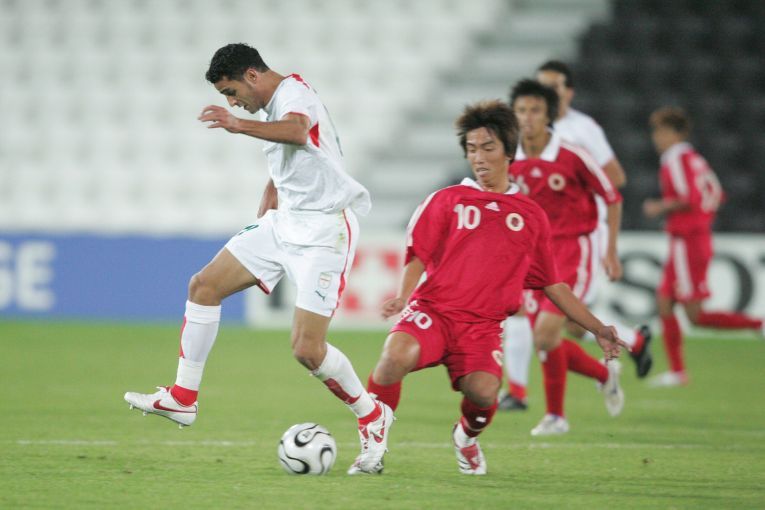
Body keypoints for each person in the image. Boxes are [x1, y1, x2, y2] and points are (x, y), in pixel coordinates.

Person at [123, 43, 392, 474]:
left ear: (251, 75)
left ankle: (372, 415)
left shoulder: (294, 94)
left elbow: (298, 132)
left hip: (324, 231)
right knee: (204, 286)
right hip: (284, 222)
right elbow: (295, 154)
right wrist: (271, 193)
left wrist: (237, 125)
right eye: (227, 99)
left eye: (231, 92)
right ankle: (183, 398)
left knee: (307, 349)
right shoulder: (272, 108)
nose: (232, 103)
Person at [363, 100, 626, 475]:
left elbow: (554, 285)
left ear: (509, 152)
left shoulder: (530, 216)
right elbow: (418, 253)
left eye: (488, 147)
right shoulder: (447, 199)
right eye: (472, 149)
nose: (479, 157)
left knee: (485, 394)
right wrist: (404, 295)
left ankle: (466, 438)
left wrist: (597, 328)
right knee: (393, 357)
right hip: (434, 312)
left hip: (482, 328)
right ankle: (372, 448)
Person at [499, 61, 652, 412]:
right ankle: (626, 348)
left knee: (556, 326)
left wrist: (605, 243)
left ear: (566, 93)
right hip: (534, 248)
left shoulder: (583, 131)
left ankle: (525, 396)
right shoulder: (513, 150)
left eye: (553, 87)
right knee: (565, 325)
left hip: (579, 239)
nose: (529, 114)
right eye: (523, 107)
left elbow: (614, 182)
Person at [508, 79, 625, 436]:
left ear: (549, 115)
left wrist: (610, 250)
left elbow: (612, 196)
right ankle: (597, 380)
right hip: (531, 256)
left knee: (546, 333)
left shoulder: (572, 155)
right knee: (546, 340)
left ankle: (557, 417)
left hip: (573, 250)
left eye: (535, 110)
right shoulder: (509, 158)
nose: (528, 117)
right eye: (522, 110)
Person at [643, 107, 764, 387]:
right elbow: (716, 194)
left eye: (661, 131)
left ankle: (759, 325)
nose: (656, 137)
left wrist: (659, 207)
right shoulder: (695, 159)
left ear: (676, 133)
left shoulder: (675, 158)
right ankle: (677, 371)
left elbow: (689, 197)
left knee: (694, 315)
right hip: (688, 239)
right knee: (664, 301)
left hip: (689, 240)